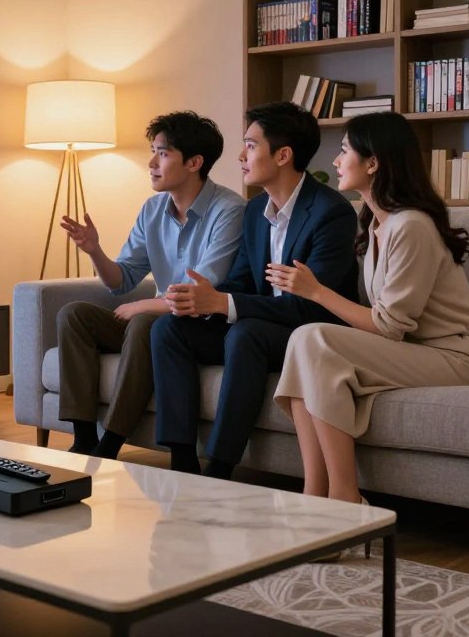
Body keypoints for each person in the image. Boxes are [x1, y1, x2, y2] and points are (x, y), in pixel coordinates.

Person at [270, 112, 469, 506]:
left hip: (454, 357)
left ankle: (345, 497)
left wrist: (316, 291)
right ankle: (314, 495)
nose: (335, 161)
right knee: (303, 345)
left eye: (344, 150)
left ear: (373, 163)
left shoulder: (411, 226)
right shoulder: (375, 226)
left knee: (311, 338)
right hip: (412, 351)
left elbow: (389, 326)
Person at [148, 101, 359, 476]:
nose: (241, 156)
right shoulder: (255, 210)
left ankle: (220, 467)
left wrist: (224, 302)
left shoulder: (331, 213)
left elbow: (311, 306)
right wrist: (205, 299)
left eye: (250, 145)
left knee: (247, 333)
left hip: (310, 334)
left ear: (283, 155)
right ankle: (182, 460)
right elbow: (243, 282)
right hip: (259, 328)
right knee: (170, 328)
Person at [57, 111, 245, 456]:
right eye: (153, 152)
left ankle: (110, 444)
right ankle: (83, 439)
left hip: (198, 325)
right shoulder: (153, 209)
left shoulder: (229, 209)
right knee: (74, 315)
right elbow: (121, 280)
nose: (151, 163)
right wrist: (94, 250)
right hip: (154, 319)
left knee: (145, 321)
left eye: (162, 153)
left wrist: (143, 305)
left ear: (194, 162)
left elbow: (199, 292)